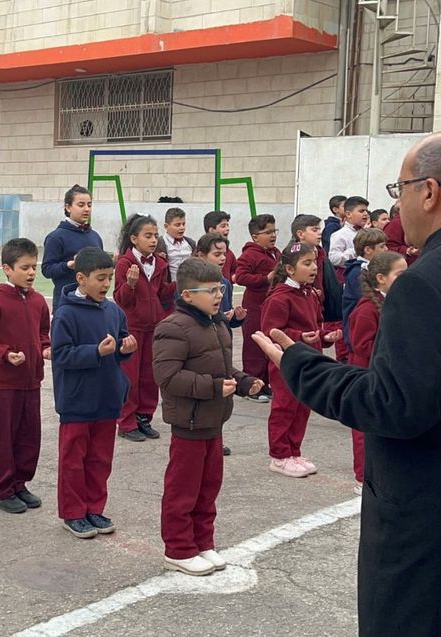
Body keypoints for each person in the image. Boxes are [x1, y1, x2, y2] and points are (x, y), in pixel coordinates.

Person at [252, 128, 441, 635]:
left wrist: (301, 364)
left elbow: (396, 407)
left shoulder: (428, 281)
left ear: (429, 192)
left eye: (399, 188)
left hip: (438, 536)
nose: (398, 203)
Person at [153, 258, 263, 576]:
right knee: (183, 489)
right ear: (187, 295)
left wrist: (243, 383)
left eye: (221, 288)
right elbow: (167, 376)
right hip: (189, 421)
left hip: (214, 421)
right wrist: (213, 387)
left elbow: (222, 369)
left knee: (208, 486)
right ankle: (178, 547)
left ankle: (203, 542)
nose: (219, 295)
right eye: (211, 290)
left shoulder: (217, 323)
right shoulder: (172, 327)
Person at [50, 247, 136, 539]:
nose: (105, 284)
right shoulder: (65, 314)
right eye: (100, 278)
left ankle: (94, 508)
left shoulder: (113, 310)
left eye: (109, 277)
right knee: (74, 460)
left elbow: (121, 341)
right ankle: (73, 513)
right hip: (77, 401)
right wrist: (94, 352)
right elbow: (60, 355)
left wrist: (126, 348)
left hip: (107, 398)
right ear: (81, 279)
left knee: (100, 459)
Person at [0, 238, 51, 514]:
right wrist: (4, 354)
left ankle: (19, 484)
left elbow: (42, 333)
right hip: (3, 385)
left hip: (31, 383)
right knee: (4, 438)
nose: (31, 273)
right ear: (7, 269)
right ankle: (2, 490)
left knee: (29, 437)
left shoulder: (39, 301)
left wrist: (46, 347)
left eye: (33, 267)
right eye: (24, 267)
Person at [260, 242, 341, 478]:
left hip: (310, 359)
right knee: (285, 407)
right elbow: (270, 331)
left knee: (302, 407)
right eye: (306, 263)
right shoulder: (280, 298)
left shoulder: (310, 294)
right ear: (290, 269)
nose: (313, 267)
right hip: (286, 361)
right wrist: (298, 337)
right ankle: (279, 455)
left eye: (314, 262)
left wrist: (325, 336)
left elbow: (315, 325)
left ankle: (294, 451)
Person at [348, 251, 407, 494]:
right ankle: (363, 477)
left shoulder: (396, 302)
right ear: (381, 278)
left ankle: (381, 472)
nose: (407, 278)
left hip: (386, 374)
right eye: (400, 274)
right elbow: (363, 346)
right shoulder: (367, 309)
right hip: (367, 376)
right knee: (364, 430)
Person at [113, 214, 176, 442]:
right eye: (147, 236)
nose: (152, 240)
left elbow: (161, 294)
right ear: (133, 238)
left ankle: (144, 417)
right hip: (132, 329)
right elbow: (120, 300)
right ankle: (126, 421)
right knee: (131, 377)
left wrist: (180, 284)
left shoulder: (160, 263)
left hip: (155, 327)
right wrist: (129, 285)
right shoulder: (124, 264)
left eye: (155, 236)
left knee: (150, 376)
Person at [195, 233, 246, 457]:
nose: (222, 258)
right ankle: (202, 436)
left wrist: (236, 317)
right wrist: (221, 318)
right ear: (200, 256)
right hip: (202, 345)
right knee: (206, 390)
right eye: (216, 254)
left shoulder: (224, 283)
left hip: (222, 344)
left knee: (224, 393)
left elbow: (224, 317)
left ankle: (218, 436)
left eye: (224, 253)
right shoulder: (193, 286)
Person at [234, 213, 281, 402]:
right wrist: (265, 279)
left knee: (268, 345)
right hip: (254, 307)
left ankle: (266, 383)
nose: (273, 235)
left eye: (274, 231)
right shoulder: (249, 255)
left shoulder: (276, 253)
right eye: (268, 232)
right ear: (255, 236)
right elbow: (241, 277)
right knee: (254, 347)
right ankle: (252, 385)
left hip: (272, 306)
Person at [42, 184, 104, 309]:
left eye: (89, 205)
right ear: (68, 207)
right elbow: (47, 270)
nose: (86, 209)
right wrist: (68, 265)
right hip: (67, 302)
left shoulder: (95, 236)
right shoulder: (56, 237)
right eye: (81, 205)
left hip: (94, 301)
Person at [341, 228, 388, 350]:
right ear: (368, 250)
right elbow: (367, 300)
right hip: (357, 333)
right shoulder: (357, 272)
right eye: (382, 247)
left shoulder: (371, 269)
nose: (386, 250)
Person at [328, 196, 369, 270]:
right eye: (361, 211)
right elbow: (334, 259)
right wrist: (356, 250)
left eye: (366, 211)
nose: (366, 214)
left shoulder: (369, 232)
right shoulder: (339, 235)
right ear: (348, 214)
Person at [157, 207, 195, 280]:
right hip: (170, 285)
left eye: (183, 224)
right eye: (177, 225)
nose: (182, 228)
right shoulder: (159, 243)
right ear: (166, 226)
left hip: (189, 284)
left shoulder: (190, 243)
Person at [202, 210, 235, 281]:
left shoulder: (229, 253)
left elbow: (233, 271)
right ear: (211, 230)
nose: (227, 229)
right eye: (223, 226)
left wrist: (233, 277)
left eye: (227, 225)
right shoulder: (201, 250)